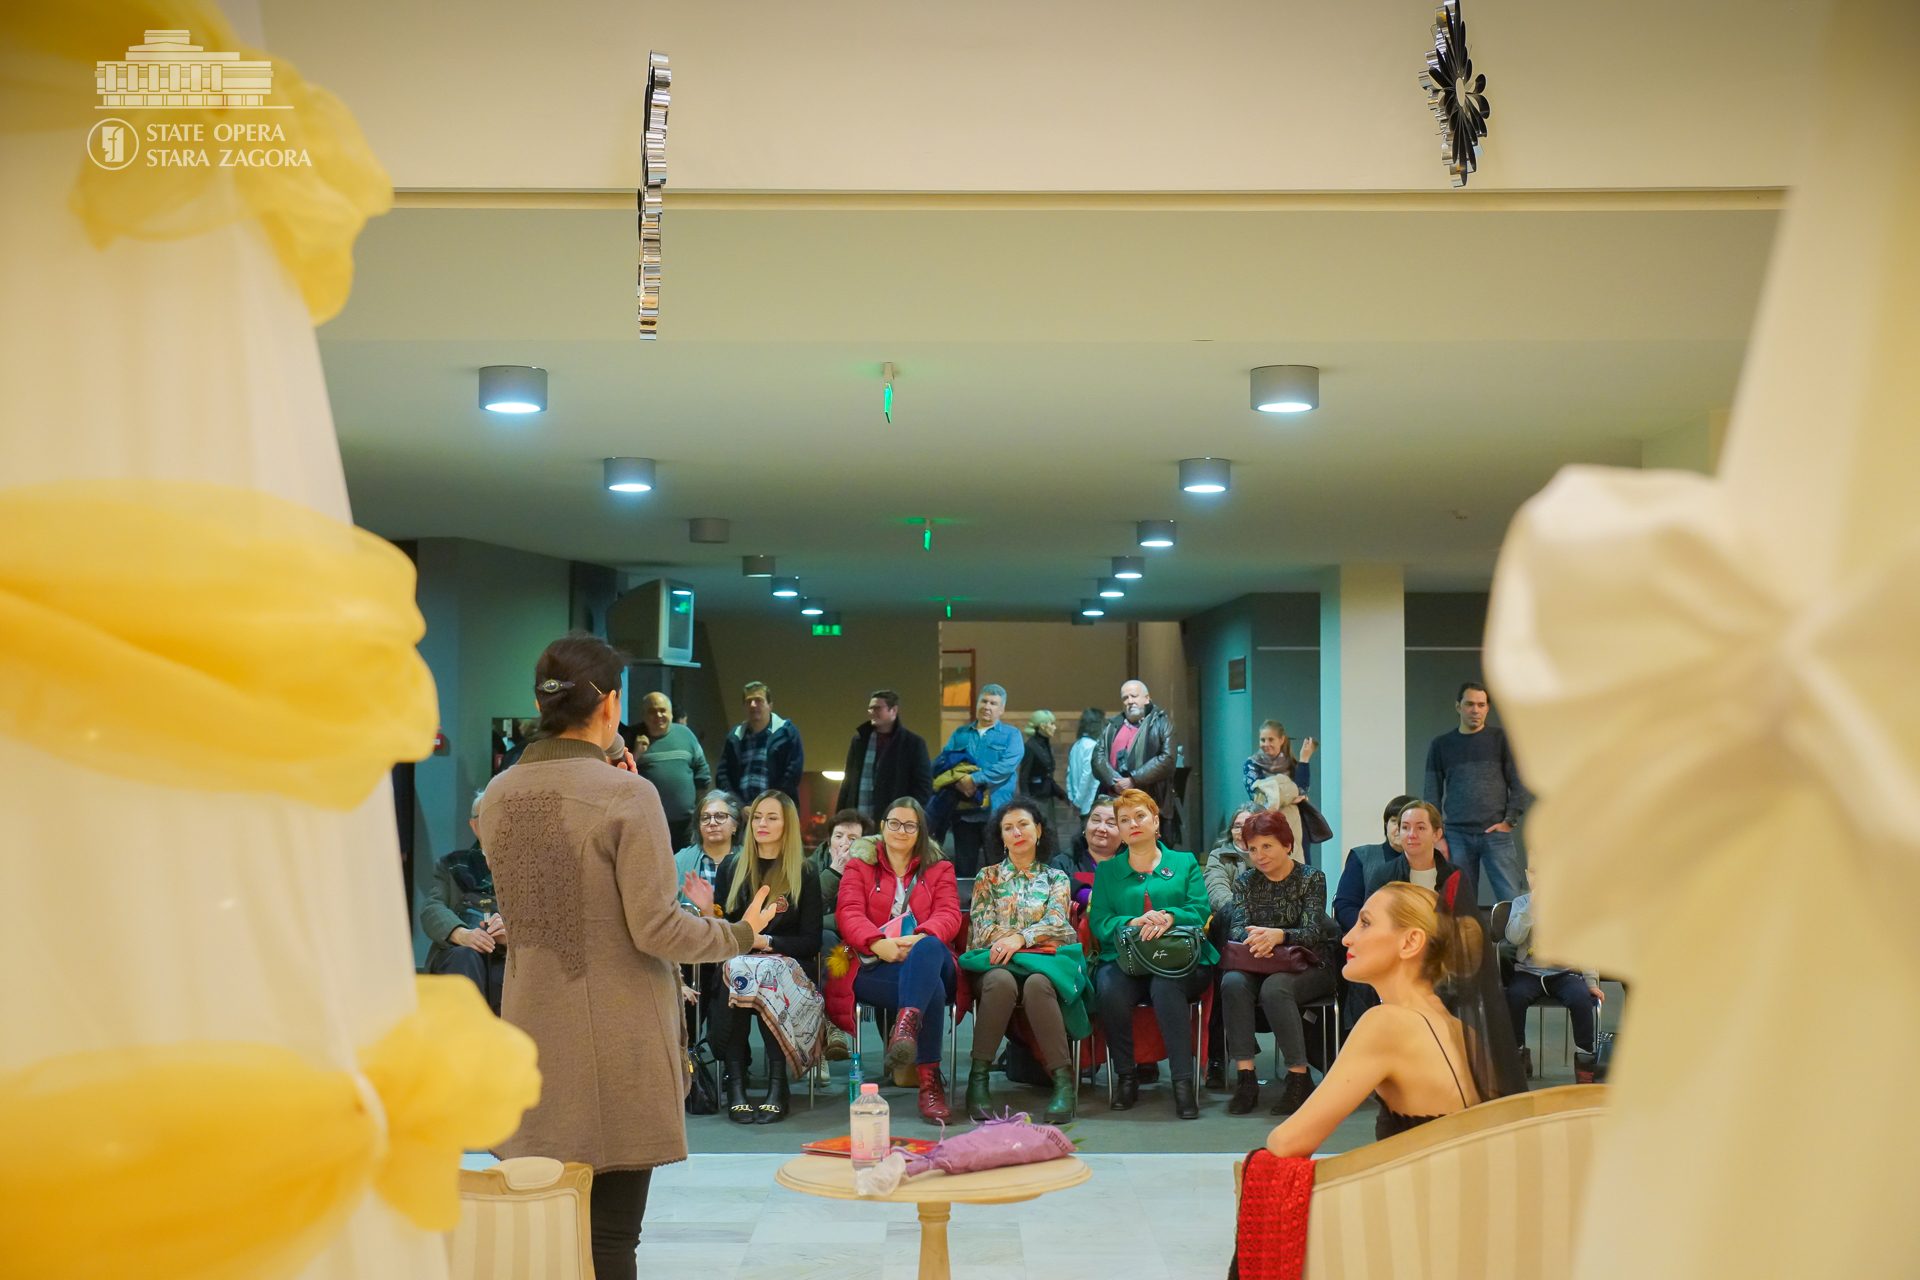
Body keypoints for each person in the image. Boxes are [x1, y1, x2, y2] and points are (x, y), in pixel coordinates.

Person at [480, 633, 777, 1280]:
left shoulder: (496, 796)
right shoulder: (627, 796)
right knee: (612, 1239)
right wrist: (738, 933)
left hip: (529, 1036)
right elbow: (658, 930)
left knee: (552, 1233)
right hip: (612, 1043)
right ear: (612, 704)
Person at [1264, 882, 1494, 1155]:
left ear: (1410, 942)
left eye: (1365, 923)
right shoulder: (1462, 1030)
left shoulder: (1387, 1023)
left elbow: (1286, 1143)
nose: (1347, 938)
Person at [691, 790, 822, 1125]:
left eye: (772, 818)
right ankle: (736, 1085)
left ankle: (778, 1086)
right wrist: (707, 911)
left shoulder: (805, 871)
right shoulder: (732, 866)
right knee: (741, 970)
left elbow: (811, 941)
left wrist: (766, 941)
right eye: (758, 817)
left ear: (787, 824)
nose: (761, 824)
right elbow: (723, 931)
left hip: (788, 966)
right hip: (738, 967)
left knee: (760, 973)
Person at [834, 797, 964, 1122]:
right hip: (877, 965)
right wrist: (878, 944)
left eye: (909, 825)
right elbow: (848, 912)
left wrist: (919, 937)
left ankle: (906, 1027)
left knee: (929, 948)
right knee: (930, 988)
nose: (900, 831)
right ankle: (929, 1084)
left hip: (930, 958)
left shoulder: (940, 868)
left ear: (920, 831)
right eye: (894, 823)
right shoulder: (859, 866)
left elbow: (949, 914)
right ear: (882, 826)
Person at [1089, 789, 1217, 1120]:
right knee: (1109, 989)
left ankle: (1182, 1084)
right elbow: (1099, 922)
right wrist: (1133, 921)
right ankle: (1126, 1077)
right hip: (1124, 958)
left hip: (1181, 957)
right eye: (1124, 820)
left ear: (1156, 822)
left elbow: (1200, 910)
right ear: (1119, 830)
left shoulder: (1185, 862)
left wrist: (1171, 916)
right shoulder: (1107, 871)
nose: (1133, 824)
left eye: (1140, 816)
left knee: (1166, 984)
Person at [962, 797, 1081, 1122]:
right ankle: (978, 1080)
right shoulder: (987, 877)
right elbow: (983, 930)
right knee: (1001, 981)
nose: (1017, 833)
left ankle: (1062, 1083)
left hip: (1041, 965)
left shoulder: (1057, 878)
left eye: (1024, 825)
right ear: (1000, 837)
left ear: (1038, 830)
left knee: (1038, 985)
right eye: (1008, 828)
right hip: (996, 964)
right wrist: (1028, 937)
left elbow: (1058, 924)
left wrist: (1019, 938)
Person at [1220, 810, 1337, 1117]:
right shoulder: (1246, 882)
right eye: (1253, 848)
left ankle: (1299, 1077)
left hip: (1309, 965)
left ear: (1287, 844)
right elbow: (1236, 929)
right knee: (1232, 982)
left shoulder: (1311, 878)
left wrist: (1280, 936)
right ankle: (1246, 1078)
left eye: (1267, 846)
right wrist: (1262, 939)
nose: (1259, 855)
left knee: (1275, 988)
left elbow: (1313, 932)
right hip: (1259, 960)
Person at [1422, 681, 1531, 902]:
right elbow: (1431, 794)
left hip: (1496, 833)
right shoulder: (1441, 745)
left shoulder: (1502, 740)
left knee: (1512, 899)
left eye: (1481, 705)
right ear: (1458, 706)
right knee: (1461, 902)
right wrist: (1437, 836)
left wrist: (1509, 821)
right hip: (1456, 835)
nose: (1475, 710)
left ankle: (1512, 930)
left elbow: (1520, 783)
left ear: (1487, 708)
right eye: (1469, 704)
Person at [1505, 866, 1603, 1082]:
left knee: (1581, 998)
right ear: (1527, 875)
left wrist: (1591, 982)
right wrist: (1531, 907)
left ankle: (1585, 1058)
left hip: (1565, 973)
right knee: (1515, 996)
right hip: (1529, 972)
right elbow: (1513, 937)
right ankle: (1517, 1053)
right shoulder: (1521, 903)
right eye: (1534, 872)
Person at [421, 790, 506, 1014]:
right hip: (461, 951)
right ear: (473, 825)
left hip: (506, 951)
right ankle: (468, 1032)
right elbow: (432, 908)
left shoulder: (526, 867)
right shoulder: (452, 864)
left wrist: (512, 935)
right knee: (465, 958)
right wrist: (462, 934)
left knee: (510, 968)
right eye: (485, 817)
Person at [932, 684, 1024, 876]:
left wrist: (974, 779)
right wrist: (960, 782)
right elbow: (945, 761)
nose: (987, 707)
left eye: (993, 703)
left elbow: (1007, 766)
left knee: (999, 869)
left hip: (997, 815)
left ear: (1001, 709)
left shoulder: (1011, 735)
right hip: (964, 814)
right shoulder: (961, 733)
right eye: (984, 701)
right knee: (964, 869)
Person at [1092, 681, 1177, 842]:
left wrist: (1133, 780)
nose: (1130, 701)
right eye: (1125, 698)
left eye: (1134, 696)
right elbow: (1097, 758)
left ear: (1146, 698)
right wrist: (1115, 782)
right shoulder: (1111, 726)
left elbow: (1168, 760)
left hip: (1150, 802)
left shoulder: (1162, 723)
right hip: (1113, 804)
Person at [627, 691, 712, 849]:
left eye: (663, 710)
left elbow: (702, 772)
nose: (658, 715)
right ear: (643, 715)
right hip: (649, 826)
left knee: (686, 863)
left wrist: (701, 811)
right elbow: (620, 777)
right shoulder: (631, 737)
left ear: (671, 714)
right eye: (652, 711)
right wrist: (636, 753)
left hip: (686, 825)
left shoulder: (686, 734)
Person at [833, 689, 933, 823]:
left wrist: (910, 815)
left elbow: (924, 786)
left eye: (877, 708)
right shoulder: (859, 741)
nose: (872, 712)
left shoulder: (912, 743)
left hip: (895, 820)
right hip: (858, 819)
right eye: (870, 708)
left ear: (894, 710)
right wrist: (840, 817)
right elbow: (848, 782)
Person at [1332, 795, 1419, 935]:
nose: (1399, 828)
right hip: (1367, 934)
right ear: (1386, 825)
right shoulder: (1362, 856)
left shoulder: (1431, 862)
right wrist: (1371, 930)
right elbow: (1346, 906)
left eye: (1406, 824)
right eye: (1394, 821)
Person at [716, 681, 805, 804]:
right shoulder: (734, 737)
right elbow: (722, 775)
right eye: (748, 701)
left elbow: (793, 774)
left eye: (759, 700)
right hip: (741, 812)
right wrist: (738, 806)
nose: (753, 705)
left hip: (778, 809)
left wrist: (768, 804)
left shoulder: (788, 733)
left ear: (770, 705)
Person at [674, 790, 740, 909]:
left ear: (734, 825)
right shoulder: (680, 861)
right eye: (705, 818)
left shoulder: (750, 858)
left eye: (720, 816)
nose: (712, 823)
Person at [1052, 796, 1122, 905]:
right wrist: (1085, 894)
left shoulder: (1134, 865)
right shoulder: (1063, 863)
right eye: (1096, 820)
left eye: (1111, 823)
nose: (1101, 828)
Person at [1204, 801, 1265, 920]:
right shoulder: (1219, 856)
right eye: (1237, 826)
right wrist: (1244, 912)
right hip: (1233, 920)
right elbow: (1216, 891)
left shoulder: (1273, 857)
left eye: (1249, 827)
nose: (1242, 832)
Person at [1243, 719, 1315, 803]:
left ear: (1281, 740)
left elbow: (1302, 790)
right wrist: (1291, 798)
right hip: (1264, 811)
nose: (1266, 744)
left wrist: (1304, 759)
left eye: (1271, 740)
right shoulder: (1252, 764)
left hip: (1290, 811)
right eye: (1263, 740)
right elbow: (1259, 796)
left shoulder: (1291, 762)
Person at [1019, 710, 1068, 814]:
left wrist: (1063, 796)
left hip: (1047, 797)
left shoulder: (1046, 745)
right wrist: (1027, 804)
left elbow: (1048, 777)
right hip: (1036, 799)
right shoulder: (1031, 747)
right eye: (1051, 724)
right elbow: (1023, 777)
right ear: (1042, 726)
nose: (1054, 727)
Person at [1065, 706, 1105, 819]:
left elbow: (1069, 775)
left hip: (1079, 802)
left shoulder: (1076, 745)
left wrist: (1073, 798)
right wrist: (1079, 801)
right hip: (1090, 802)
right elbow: (1087, 776)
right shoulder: (1093, 746)